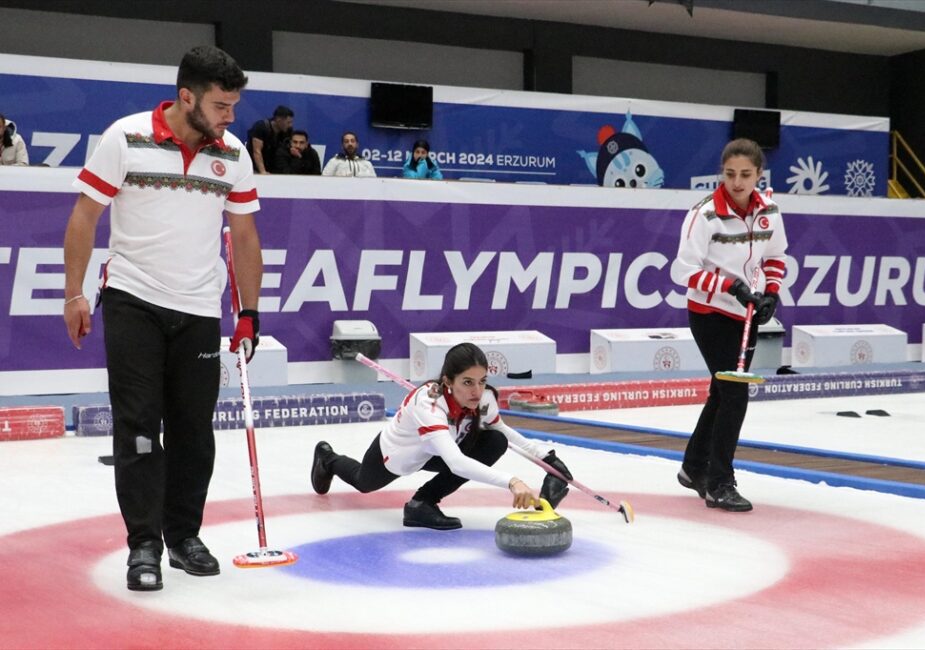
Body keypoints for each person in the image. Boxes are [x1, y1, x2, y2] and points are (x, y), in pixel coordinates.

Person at [62, 45, 263, 591]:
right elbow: (84, 217)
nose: (230, 116)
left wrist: (248, 312)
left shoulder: (234, 154)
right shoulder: (124, 137)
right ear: (186, 97)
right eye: (222, 105)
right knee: (139, 429)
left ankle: (183, 536)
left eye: (234, 105)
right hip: (134, 301)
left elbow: (244, 235)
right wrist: (74, 295)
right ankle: (144, 544)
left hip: (200, 309)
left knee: (195, 434)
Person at [310, 343, 572, 529]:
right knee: (363, 482)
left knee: (495, 441)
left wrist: (547, 458)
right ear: (448, 381)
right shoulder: (429, 403)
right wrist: (513, 481)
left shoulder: (483, 398)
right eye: (467, 382)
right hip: (399, 454)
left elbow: (502, 430)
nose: (477, 390)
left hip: (440, 449)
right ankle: (328, 459)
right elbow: (456, 463)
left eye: (482, 381)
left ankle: (422, 504)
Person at [669, 138, 787, 512]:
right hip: (709, 313)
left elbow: (775, 256)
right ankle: (719, 482)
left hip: (747, 313)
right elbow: (682, 270)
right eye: (730, 174)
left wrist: (770, 293)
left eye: (746, 175)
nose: (737, 182)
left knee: (723, 392)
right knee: (734, 394)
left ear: (759, 176)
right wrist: (730, 286)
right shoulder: (704, 214)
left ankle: (693, 467)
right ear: (722, 173)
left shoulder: (769, 210)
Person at [246, 105, 294, 174]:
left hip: (273, 167)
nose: (290, 125)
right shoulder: (261, 127)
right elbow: (257, 151)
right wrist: (263, 171)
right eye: (288, 122)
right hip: (254, 167)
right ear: (279, 120)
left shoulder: (287, 131)